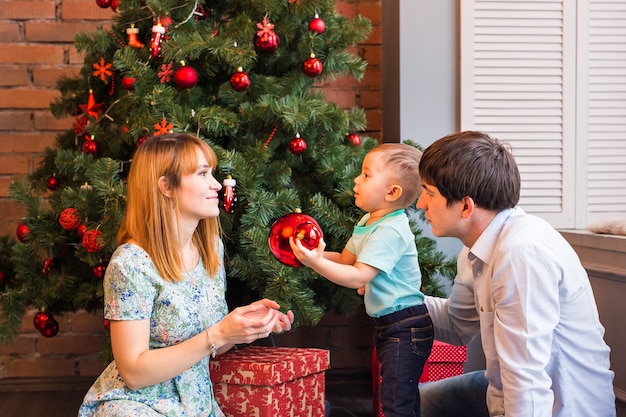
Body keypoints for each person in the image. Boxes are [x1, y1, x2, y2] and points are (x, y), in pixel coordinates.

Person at [78, 133, 294, 417]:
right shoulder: (131, 265)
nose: (217, 184)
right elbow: (133, 372)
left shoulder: (210, 250)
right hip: (136, 406)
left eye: (212, 173)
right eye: (203, 173)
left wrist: (243, 328)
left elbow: (212, 343)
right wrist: (216, 334)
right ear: (166, 186)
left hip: (197, 406)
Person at [415, 131, 615, 417]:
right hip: (501, 389)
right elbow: (457, 326)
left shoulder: (520, 253)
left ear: (466, 206)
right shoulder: (479, 246)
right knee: (416, 402)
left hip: (561, 406)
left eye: (429, 193)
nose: (421, 204)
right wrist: (390, 293)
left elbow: (528, 381)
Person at [290, 143, 433, 417]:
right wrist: (313, 255)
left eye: (366, 175)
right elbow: (346, 261)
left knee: (396, 400)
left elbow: (359, 276)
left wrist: (316, 262)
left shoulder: (390, 230)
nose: (356, 179)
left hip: (406, 325)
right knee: (399, 396)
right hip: (390, 325)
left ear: (392, 192)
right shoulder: (370, 220)